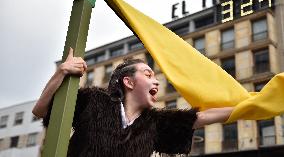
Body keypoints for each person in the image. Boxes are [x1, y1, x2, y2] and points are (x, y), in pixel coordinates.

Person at [33, 48, 233, 157]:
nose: (156, 81)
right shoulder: (93, 100)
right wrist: (62, 71)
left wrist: (256, 105)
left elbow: (202, 116)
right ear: (128, 82)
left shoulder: (155, 122)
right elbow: (41, 110)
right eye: (148, 74)